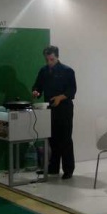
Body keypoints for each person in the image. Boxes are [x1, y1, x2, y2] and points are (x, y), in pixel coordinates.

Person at [32, 46, 76, 179]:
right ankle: (53, 167)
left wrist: (60, 98)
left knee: (65, 139)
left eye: (51, 59)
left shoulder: (67, 71)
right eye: (47, 60)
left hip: (64, 109)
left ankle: (68, 169)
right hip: (49, 109)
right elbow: (38, 86)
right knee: (52, 139)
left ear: (57, 56)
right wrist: (36, 92)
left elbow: (72, 90)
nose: (49, 62)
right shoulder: (43, 71)